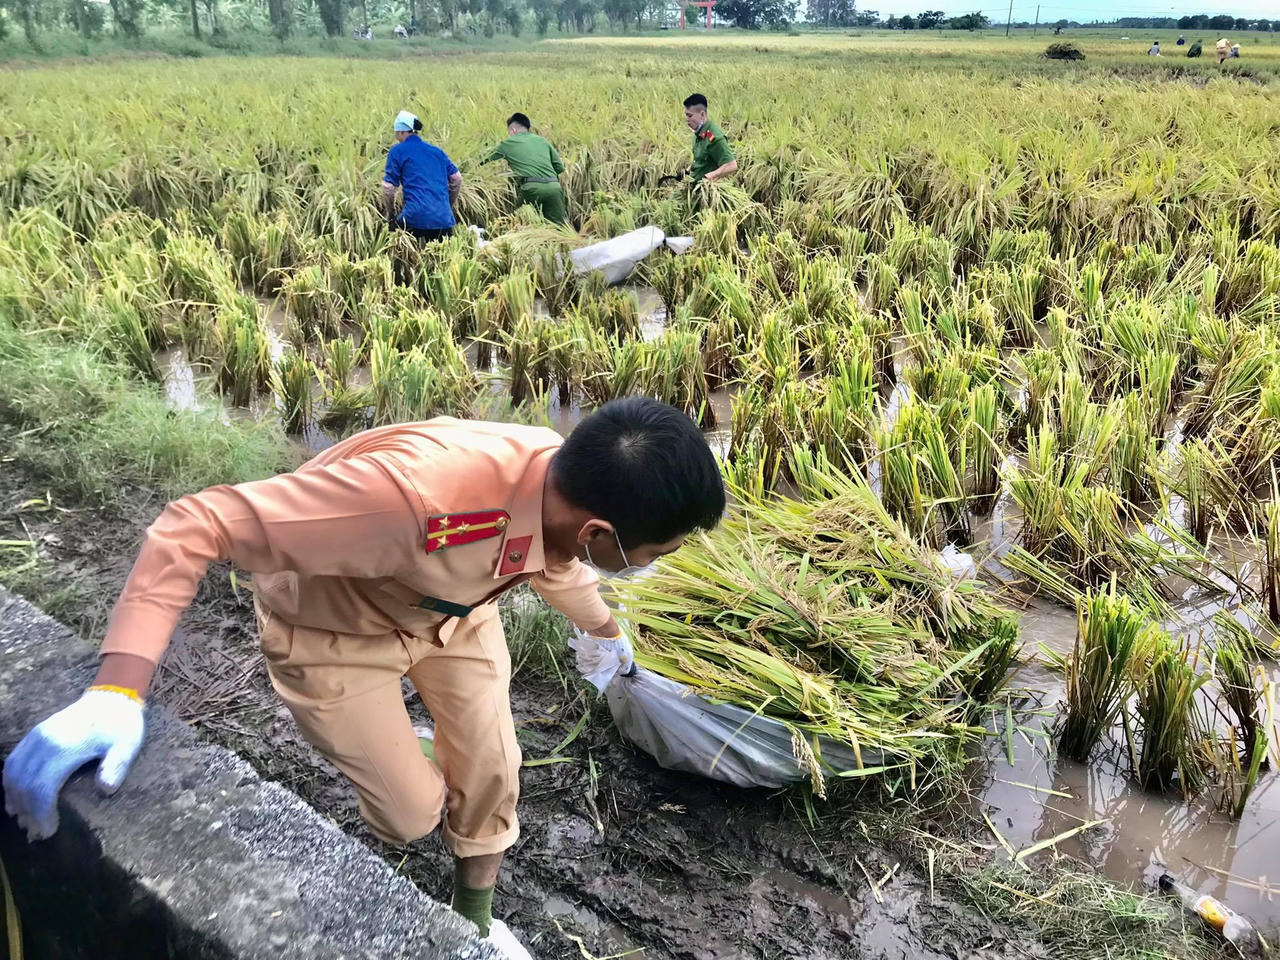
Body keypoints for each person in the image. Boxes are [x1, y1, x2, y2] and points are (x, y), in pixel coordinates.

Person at [2, 399, 726, 960]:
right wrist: (118, 687)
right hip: (335, 633)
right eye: (658, 552)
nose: (655, 562)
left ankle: (474, 923)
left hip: (456, 614)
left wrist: (605, 633)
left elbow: (554, 562)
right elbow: (196, 525)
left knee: (495, 769)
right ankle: (406, 753)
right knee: (411, 816)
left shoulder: (563, 480)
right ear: (600, 532)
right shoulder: (409, 502)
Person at [383, 110, 462, 242]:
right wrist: (447, 205)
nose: (397, 138)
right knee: (445, 254)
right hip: (444, 219)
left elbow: (388, 187)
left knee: (403, 248)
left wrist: (391, 215)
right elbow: (457, 178)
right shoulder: (437, 152)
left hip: (414, 218)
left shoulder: (397, 151)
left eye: (397, 133)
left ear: (402, 132)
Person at [482, 113, 569, 225]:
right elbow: (559, 167)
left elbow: (481, 159)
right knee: (559, 227)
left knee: (521, 225)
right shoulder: (543, 141)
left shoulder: (507, 144)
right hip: (554, 187)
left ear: (513, 130)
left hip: (531, 188)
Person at [683, 93, 737, 184]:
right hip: (694, 182)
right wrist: (687, 171)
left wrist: (709, 177)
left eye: (690, 116)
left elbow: (732, 165)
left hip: (705, 186)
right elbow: (700, 160)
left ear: (702, 115)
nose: (687, 119)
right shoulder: (698, 133)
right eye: (686, 115)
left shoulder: (714, 138)